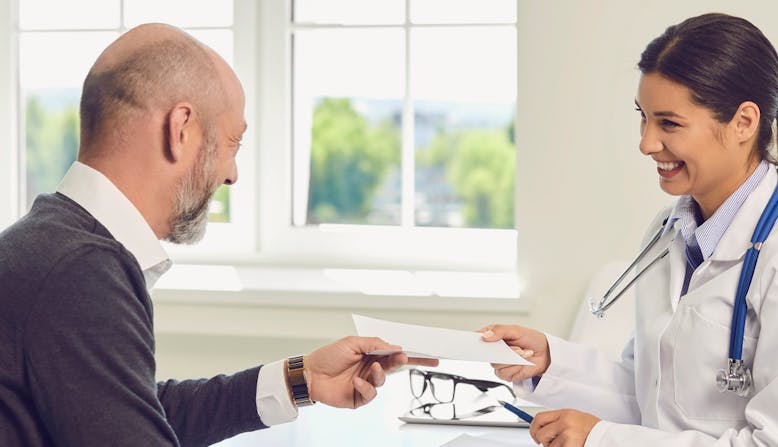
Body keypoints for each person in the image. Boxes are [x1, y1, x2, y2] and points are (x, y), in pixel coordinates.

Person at [0, 23, 436, 447]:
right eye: (232, 143)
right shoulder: (80, 271)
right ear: (182, 129)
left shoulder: (51, 243)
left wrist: (302, 380)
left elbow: (127, 412)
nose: (232, 174)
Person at [481, 13, 778, 447]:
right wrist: (550, 361)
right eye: (643, 117)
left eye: (669, 123)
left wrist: (601, 439)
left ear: (744, 123)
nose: (646, 143)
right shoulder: (668, 232)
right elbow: (651, 397)